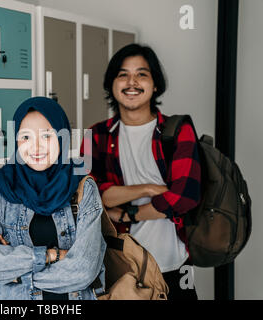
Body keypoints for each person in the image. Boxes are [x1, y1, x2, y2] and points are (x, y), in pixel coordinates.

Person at [80, 43, 201, 300]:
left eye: (141, 74)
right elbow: (89, 195)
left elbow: (185, 196)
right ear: (111, 84)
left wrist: (128, 214)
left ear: (155, 84)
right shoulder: (95, 136)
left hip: (174, 266)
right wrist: (148, 189)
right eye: (123, 74)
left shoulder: (177, 130)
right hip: (120, 269)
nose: (131, 82)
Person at [0, 96, 106, 300]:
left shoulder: (82, 187)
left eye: (46, 136)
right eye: (25, 137)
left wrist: (17, 273)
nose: (36, 147)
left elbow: (83, 270)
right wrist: (50, 255)